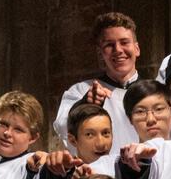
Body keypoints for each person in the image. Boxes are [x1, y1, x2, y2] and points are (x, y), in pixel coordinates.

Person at [55, 11, 145, 148]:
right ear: (100, 54)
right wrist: (84, 106)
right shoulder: (81, 90)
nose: (118, 50)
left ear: (137, 48)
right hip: (98, 169)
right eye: (109, 45)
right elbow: (62, 127)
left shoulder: (154, 91)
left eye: (124, 42)